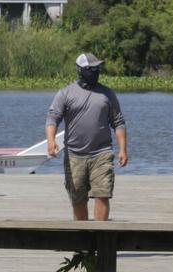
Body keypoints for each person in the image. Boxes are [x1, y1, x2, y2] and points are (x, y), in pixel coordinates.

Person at [45, 53, 128, 221]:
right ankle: (83, 240)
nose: (95, 72)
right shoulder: (66, 93)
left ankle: (100, 237)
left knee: (103, 194)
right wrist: (51, 141)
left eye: (97, 68)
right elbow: (52, 118)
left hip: (102, 153)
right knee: (78, 199)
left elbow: (118, 122)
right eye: (90, 69)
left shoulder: (107, 94)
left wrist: (123, 149)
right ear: (80, 70)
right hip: (75, 155)